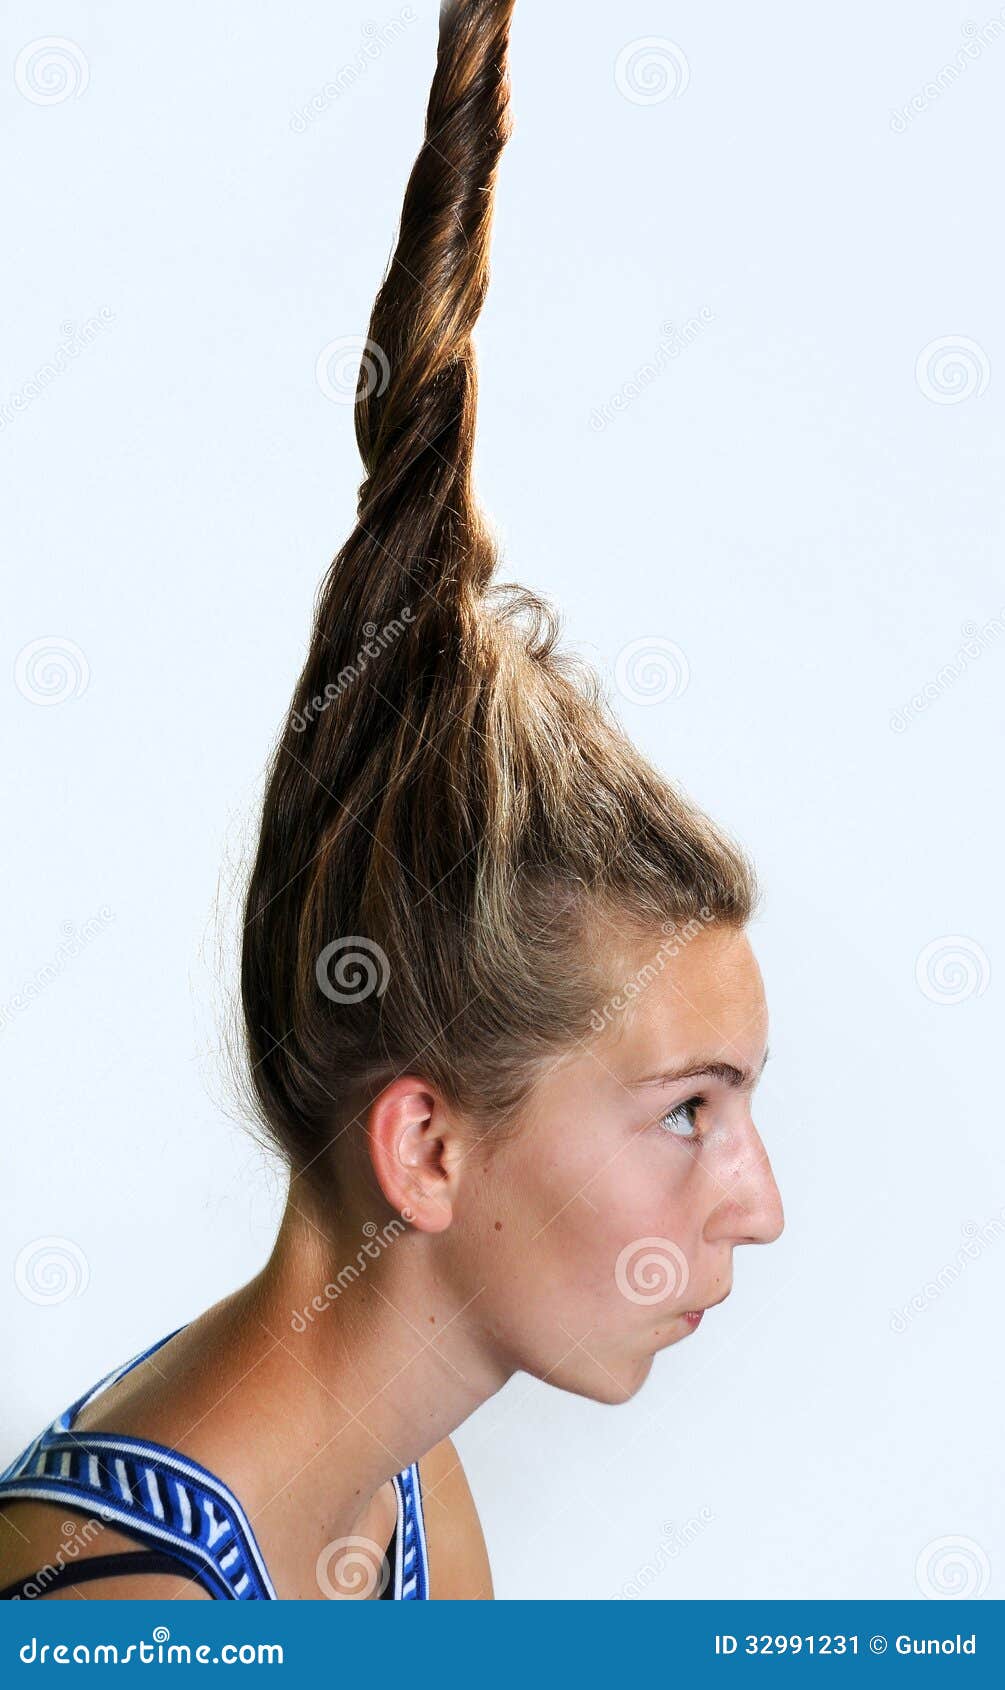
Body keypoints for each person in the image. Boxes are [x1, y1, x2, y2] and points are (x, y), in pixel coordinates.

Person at [0, 0, 783, 1601]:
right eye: (687, 1108)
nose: (755, 1204)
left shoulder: (403, 1472)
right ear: (422, 1145)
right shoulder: (129, 1618)